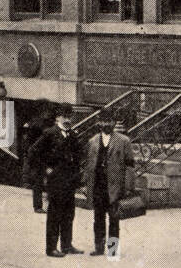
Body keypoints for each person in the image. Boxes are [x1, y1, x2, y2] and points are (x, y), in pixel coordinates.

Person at [25, 106, 84, 257]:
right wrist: (45, 169)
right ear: (58, 117)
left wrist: (77, 175)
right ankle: (51, 248)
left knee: (69, 214)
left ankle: (66, 245)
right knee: (54, 215)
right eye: (65, 116)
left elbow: (78, 156)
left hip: (69, 181)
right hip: (56, 182)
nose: (68, 120)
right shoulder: (50, 133)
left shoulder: (72, 135)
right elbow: (33, 152)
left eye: (70, 116)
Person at [83, 115, 136, 255]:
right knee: (98, 218)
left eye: (109, 121)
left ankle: (113, 250)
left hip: (115, 187)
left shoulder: (124, 141)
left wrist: (129, 187)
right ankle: (99, 248)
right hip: (98, 186)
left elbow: (130, 165)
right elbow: (88, 165)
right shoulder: (93, 141)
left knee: (114, 219)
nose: (107, 124)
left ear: (114, 122)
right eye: (104, 120)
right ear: (99, 122)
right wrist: (85, 184)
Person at [21, 107, 52, 213]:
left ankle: (39, 206)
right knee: (41, 182)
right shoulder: (42, 125)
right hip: (40, 157)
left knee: (39, 182)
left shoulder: (35, 123)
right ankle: (40, 206)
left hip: (39, 156)